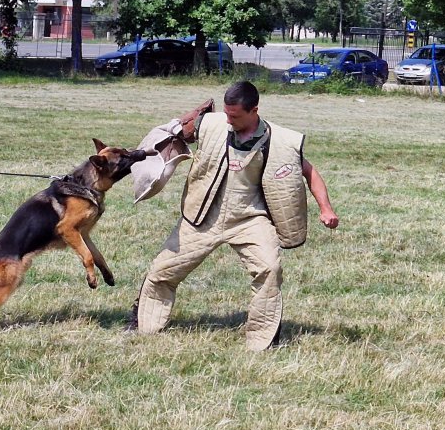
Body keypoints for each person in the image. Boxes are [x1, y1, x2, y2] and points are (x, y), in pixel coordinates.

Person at [132, 81, 339, 350]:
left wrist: (326, 208)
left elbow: (309, 172)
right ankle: (142, 323)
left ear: (254, 110)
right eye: (227, 113)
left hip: (250, 218)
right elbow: (176, 132)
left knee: (269, 269)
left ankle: (264, 339)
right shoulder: (213, 124)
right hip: (205, 215)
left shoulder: (279, 141)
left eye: (235, 116)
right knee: (163, 269)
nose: (228, 120)